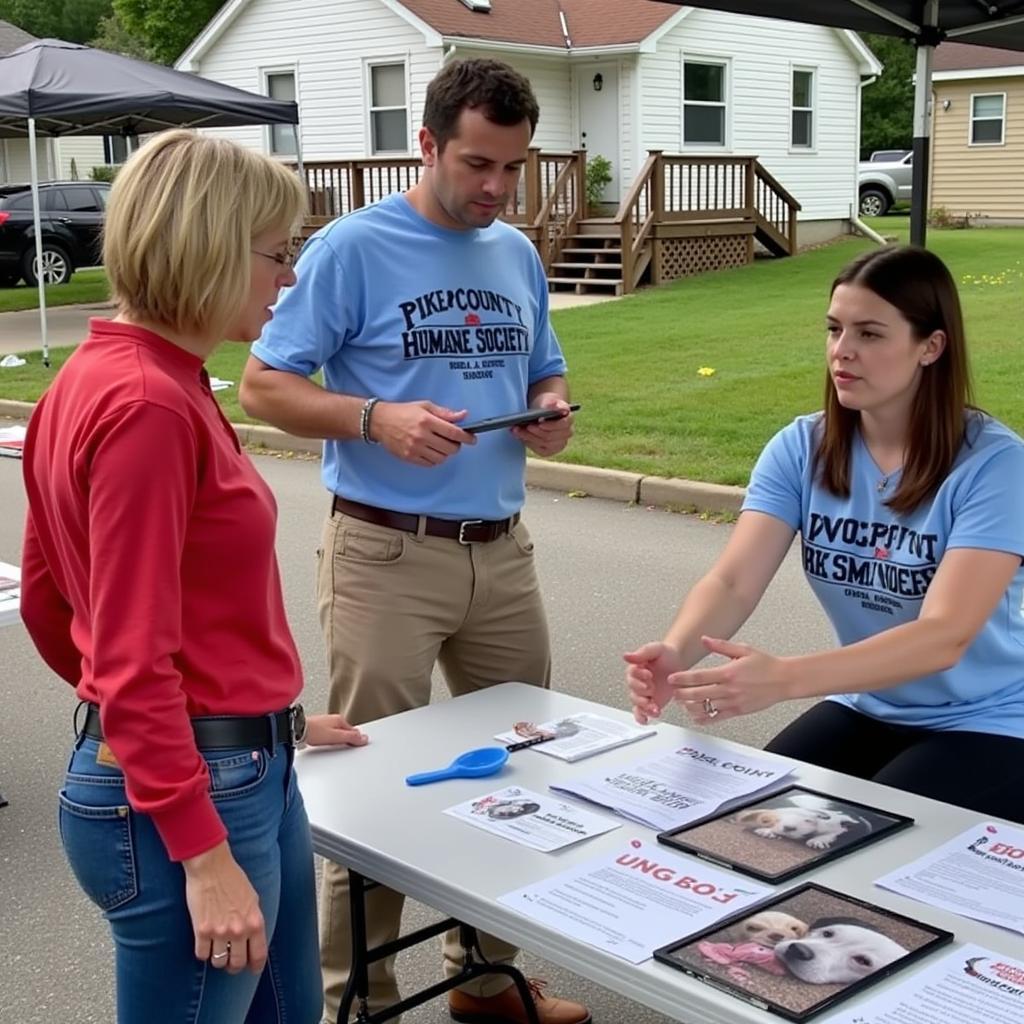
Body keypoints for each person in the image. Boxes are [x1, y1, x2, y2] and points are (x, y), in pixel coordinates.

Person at [239, 58, 587, 1024]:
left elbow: (545, 373)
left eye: (513, 169)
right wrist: (371, 417)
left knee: (522, 763)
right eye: (478, 164)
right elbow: (263, 385)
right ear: (427, 144)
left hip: (503, 553)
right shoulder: (352, 249)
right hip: (386, 555)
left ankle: (484, 981)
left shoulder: (513, 254)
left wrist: (550, 412)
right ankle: (358, 998)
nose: (495, 189)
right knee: (373, 790)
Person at [20, 129, 367, 1024]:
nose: (287, 278)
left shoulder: (126, 377)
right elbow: (125, 657)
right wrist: (198, 845)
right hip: (195, 797)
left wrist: (252, 709)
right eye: (277, 254)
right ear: (209, 245)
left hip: (233, 762)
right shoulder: (146, 406)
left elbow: (59, 603)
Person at [625, 245, 1024, 824]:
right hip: (867, 700)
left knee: (861, 850)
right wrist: (677, 651)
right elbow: (734, 582)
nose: (842, 352)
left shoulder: (995, 466)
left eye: (869, 334)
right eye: (835, 330)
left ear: (930, 347)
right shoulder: (801, 447)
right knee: (745, 826)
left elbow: (945, 636)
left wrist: (784, 678)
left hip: (989, 718)